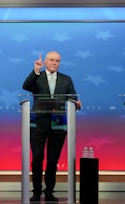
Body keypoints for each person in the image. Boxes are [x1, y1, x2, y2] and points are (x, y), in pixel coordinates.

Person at [23, 51, 82, 202]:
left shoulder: (66, 79)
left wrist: (76, 102)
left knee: (53, 159)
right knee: (37, 158)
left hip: (58, 123)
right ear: (46, 61)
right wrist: (36, 70)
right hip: (38, 122)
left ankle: (49, 191)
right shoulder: (37, 77)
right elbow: (26, 86)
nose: (55, 62)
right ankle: (36, 192)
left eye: (57, 60)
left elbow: (73, 97)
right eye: (51, 60)